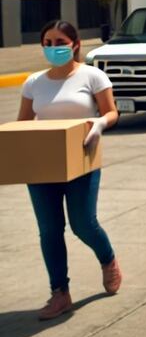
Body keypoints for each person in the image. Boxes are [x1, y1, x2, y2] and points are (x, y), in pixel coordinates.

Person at [18, 20, 121, 320]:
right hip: (42, 165)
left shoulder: (92, 76)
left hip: (81, 160)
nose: (53, 48)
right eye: (48, 43)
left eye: (60, 42)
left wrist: (100, 123)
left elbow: (111, 111)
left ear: (75, 44)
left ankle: (108, 259)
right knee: (49, 230)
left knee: (83, 224)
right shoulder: (34, 82)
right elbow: (22, 123)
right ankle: (59, 293)